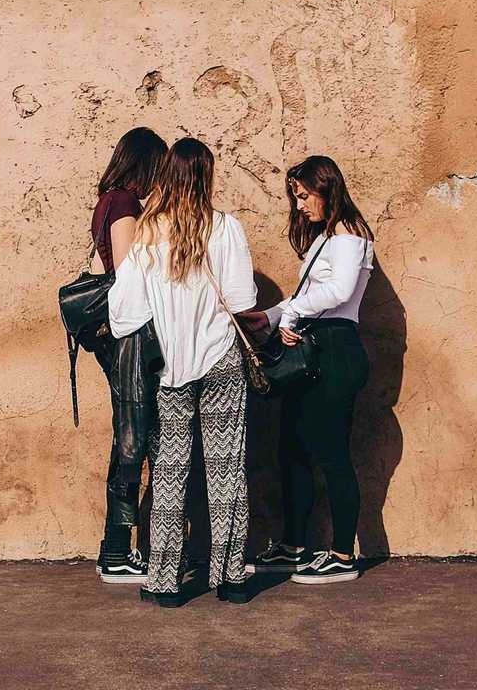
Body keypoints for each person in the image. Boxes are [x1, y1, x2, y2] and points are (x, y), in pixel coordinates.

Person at [107, 138, 257, 606]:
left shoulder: (148, 232)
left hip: (172, 370)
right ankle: (230, 578)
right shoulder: (226, 228)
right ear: (206, 176)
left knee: (170, 474)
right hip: (221, 362)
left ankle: (165, 583)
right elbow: (243, 299)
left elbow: (124, 313)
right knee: (227, 470)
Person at [254, 155, 375, 585]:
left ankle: (343, 554)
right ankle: (293, 545)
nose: (300, 205)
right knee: (293, 447)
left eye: (304, 195)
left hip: (336, 350)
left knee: (332, 454)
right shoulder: (327, 238)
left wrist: (289, 317)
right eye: (296, 197)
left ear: (325, 188)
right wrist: (266, 318)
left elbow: (339, 292)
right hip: (315, 348)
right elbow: (306, 295)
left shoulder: (347, 236)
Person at [88, 127, 167, 583]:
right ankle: (116, 550)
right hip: (127, 337)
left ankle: (118, 548)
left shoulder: (106, 202)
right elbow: (125, 270)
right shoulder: (123, 203)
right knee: (132, 438)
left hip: (115, 337)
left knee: (129, 434)